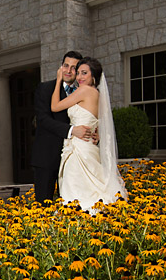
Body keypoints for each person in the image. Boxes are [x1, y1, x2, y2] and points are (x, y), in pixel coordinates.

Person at [50, 57, 128, 212]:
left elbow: (55, 106)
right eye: (78, 73)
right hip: (89, 148)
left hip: (79, 150)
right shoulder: (97, 94)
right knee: (88, 191)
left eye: (84, 73)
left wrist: (58, 80)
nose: (79, 77)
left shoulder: (84, 91)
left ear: (93, 76)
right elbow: (100, 121)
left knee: (75, 194)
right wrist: (98, 133)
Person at [31, 51, 95, 203]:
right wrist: (72, 130)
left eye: (73, 68)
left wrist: (94, 132)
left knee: (71, 204)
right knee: (42, 207)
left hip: (74, 159)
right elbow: (43, 120)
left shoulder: (85, 91)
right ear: (61, 66)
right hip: (47, 156)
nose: (68, 70)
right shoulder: (45, 88)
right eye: (66, 65)